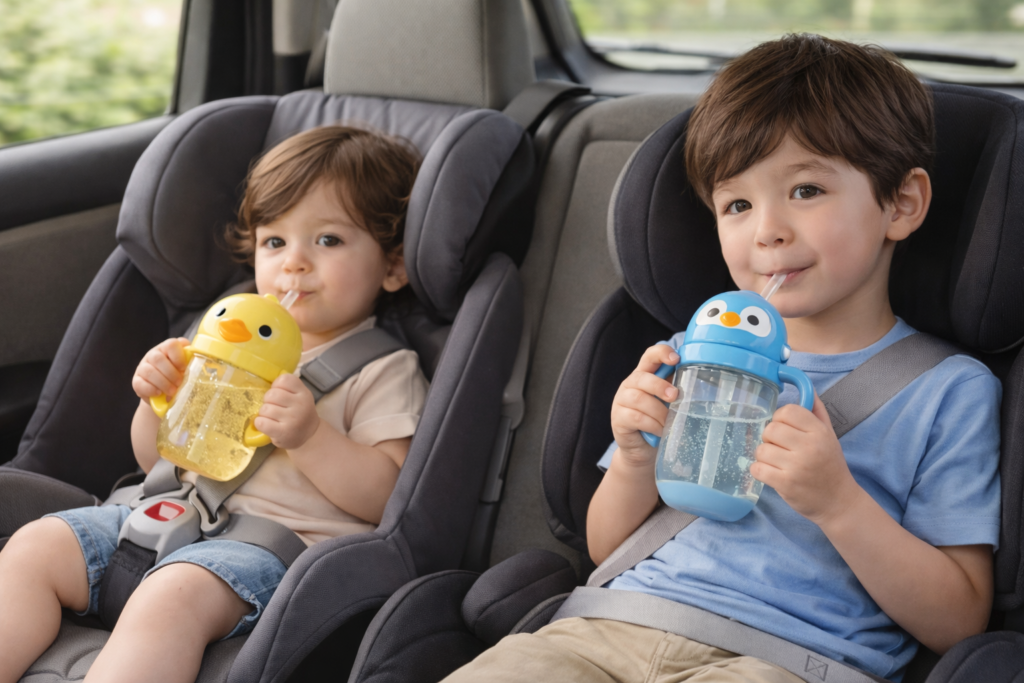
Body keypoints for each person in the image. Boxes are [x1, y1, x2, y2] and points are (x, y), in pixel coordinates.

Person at [443, 34, 1001, 683]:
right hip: (608, 628)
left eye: (806, 190)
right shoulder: (693, 352)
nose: (767, 230)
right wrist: (635, 458)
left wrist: (838, 502)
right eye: (737, 204)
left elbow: (959, 619)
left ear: (900, 204)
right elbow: (606, 547)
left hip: (789, 660)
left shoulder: (947, 390)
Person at [0, 125, 429, 683]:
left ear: (393, 265)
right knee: (35, 545)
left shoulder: (384, 368)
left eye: (328, 240)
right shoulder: (223, 337)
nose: (294, 263)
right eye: (275, 242)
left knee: (171, 595)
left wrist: (311, 438)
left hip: (268, 550)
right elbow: (156, 460)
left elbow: (389, 496)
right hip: (156, 515)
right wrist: (157, 404)